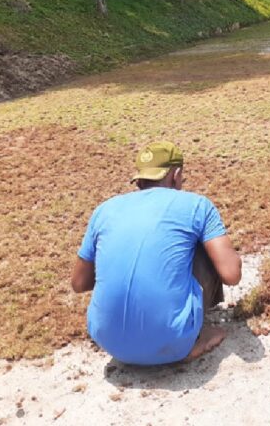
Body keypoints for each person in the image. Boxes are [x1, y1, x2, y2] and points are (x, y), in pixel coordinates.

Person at [71, 141, 242, 365]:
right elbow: (232, 275)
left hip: (107, 341)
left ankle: (135, 335)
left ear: (139, 178)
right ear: (176, 175)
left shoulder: (104, 210)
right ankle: (193, 338)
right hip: (173, 342)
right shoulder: (197, 205)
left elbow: (79, 283)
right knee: (199, 247)